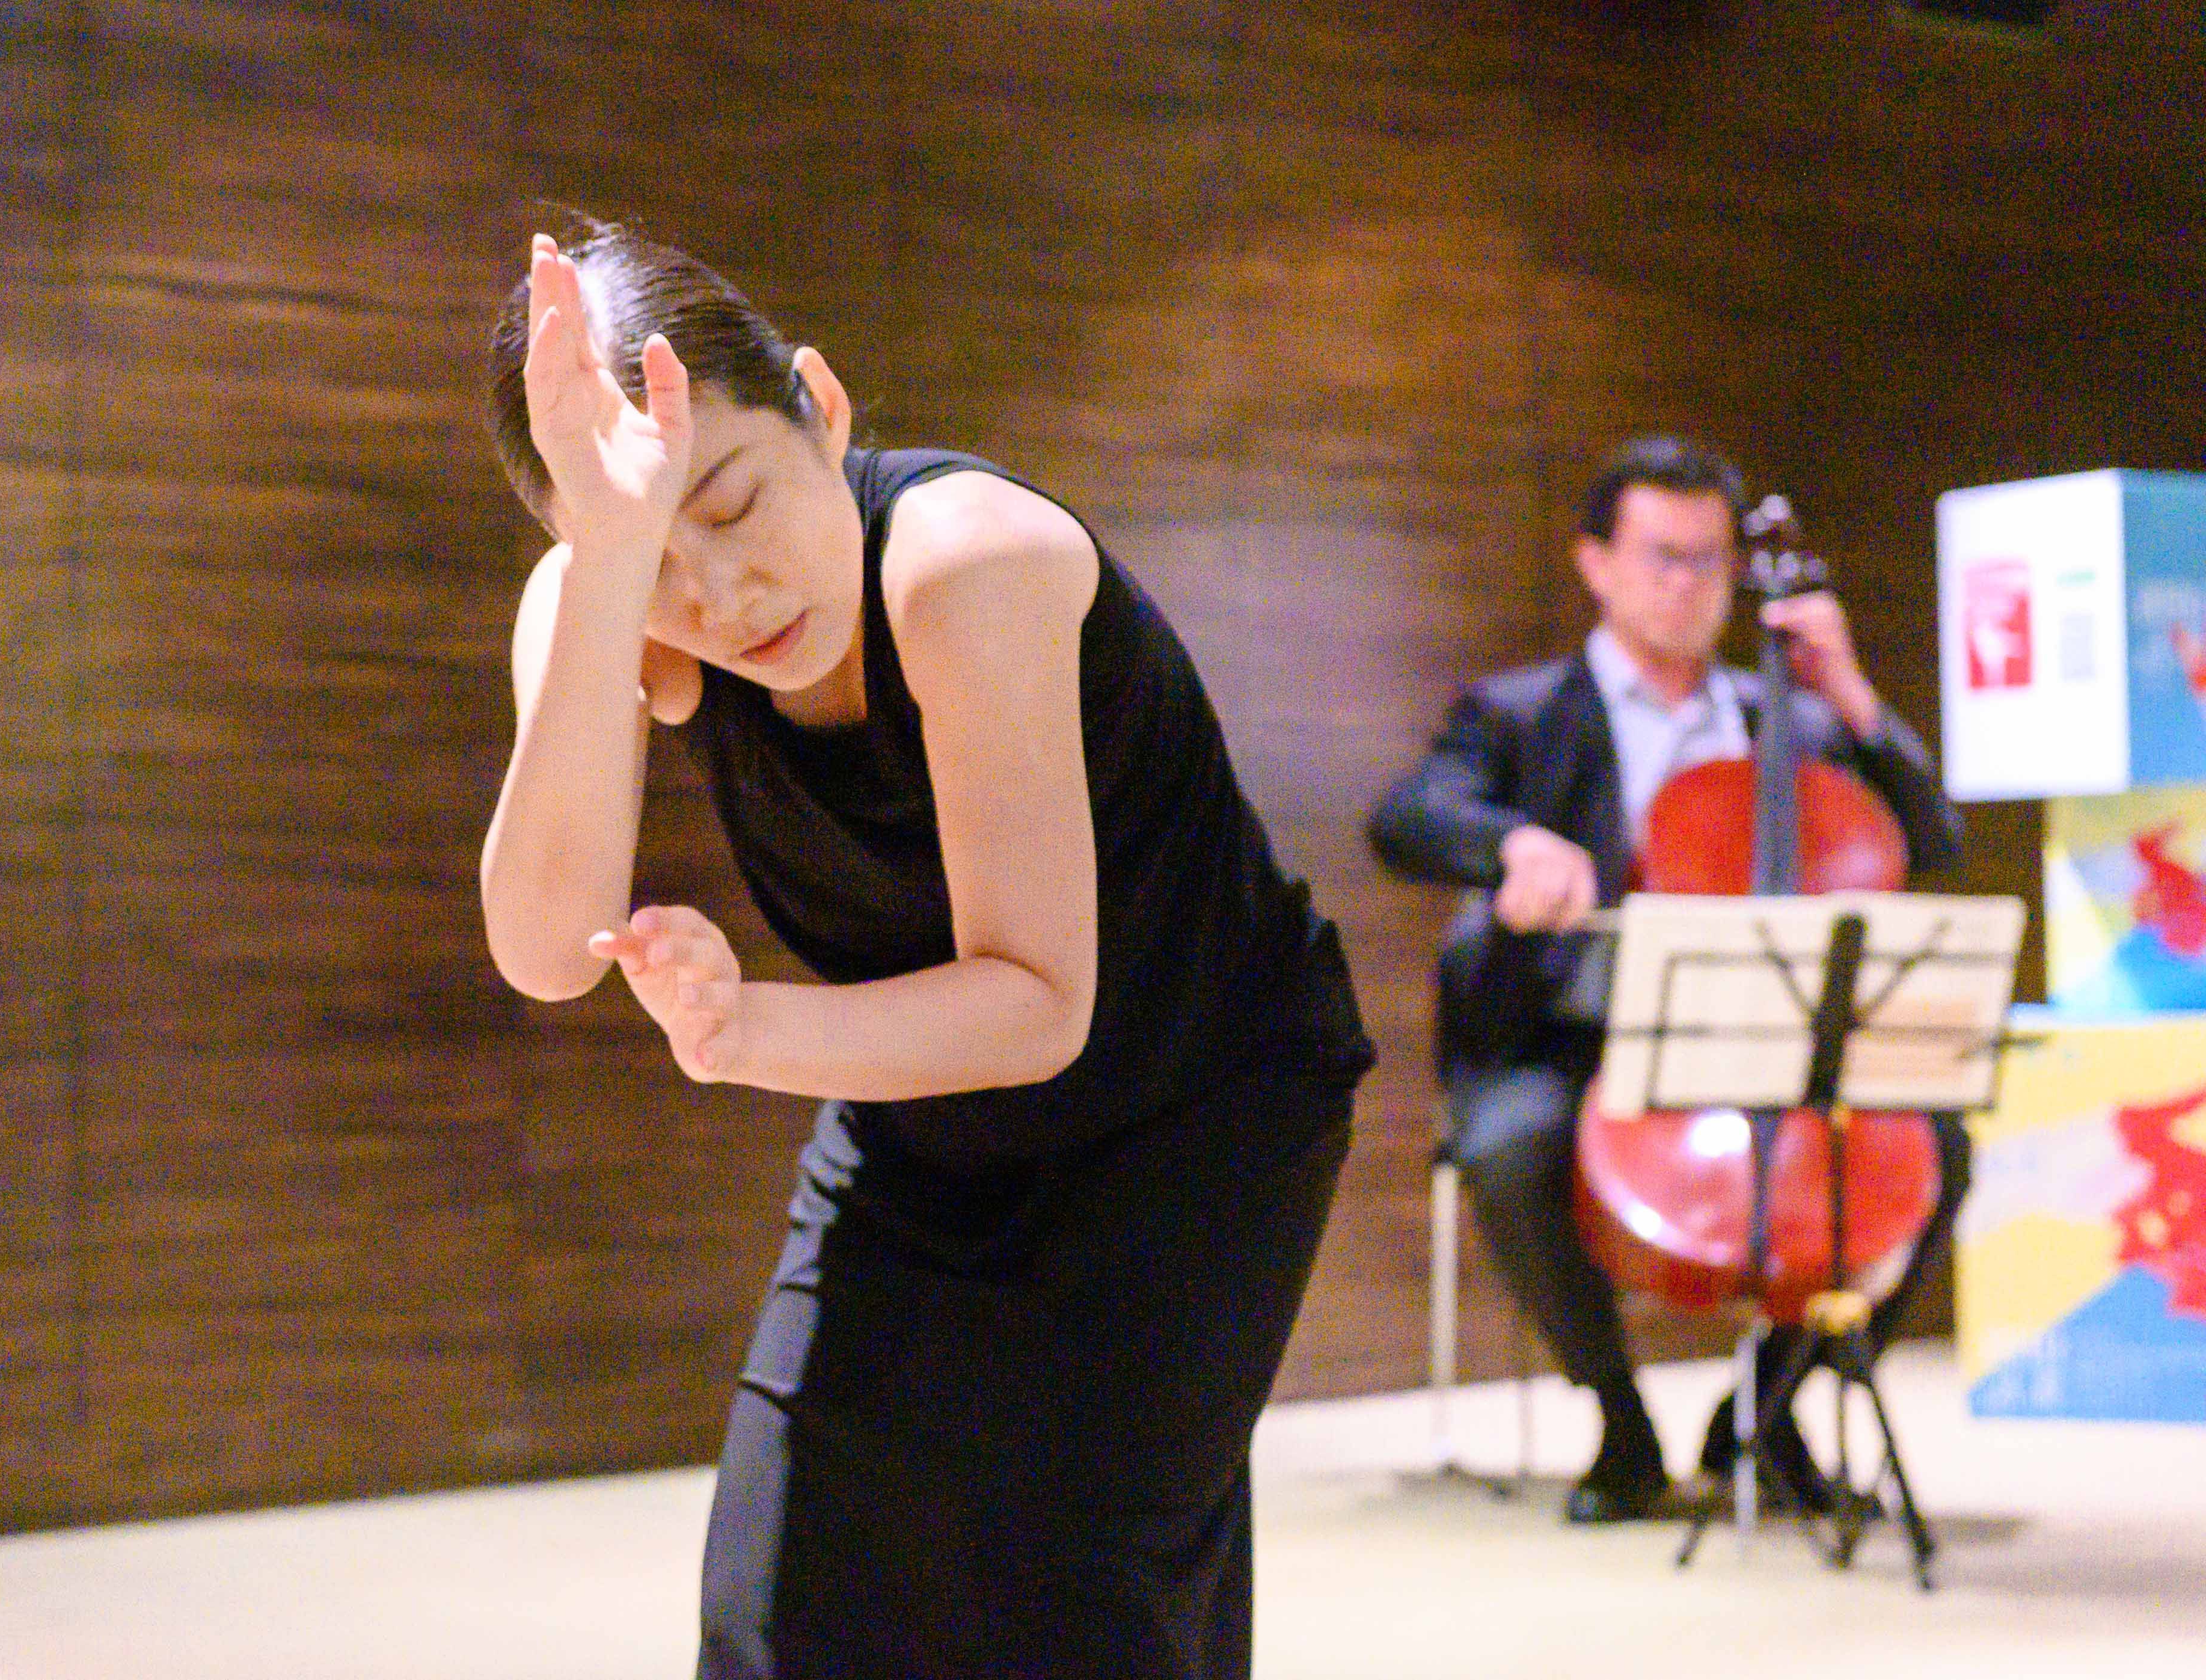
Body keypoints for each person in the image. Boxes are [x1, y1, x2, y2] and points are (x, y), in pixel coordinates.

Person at [479, 221, 1373, 1679]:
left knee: (1077, 1601)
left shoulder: (967, 559)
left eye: (734, 501)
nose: (722, 594)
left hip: (1198, 1108)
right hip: (929, 1112)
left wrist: (744, 1028)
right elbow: (542, 948)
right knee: (779, 1600)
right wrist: (610, 567)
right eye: (656, 553)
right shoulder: (610, 597)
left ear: (823, 410)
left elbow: (1037, 1002)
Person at [1367, 435, 1968, 1524]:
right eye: (1664, 557)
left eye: (1711, 561)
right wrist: (1512, 844)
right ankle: (1622, 1424)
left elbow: (1929, 838)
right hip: (1574, 1034)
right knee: (1510, 1146)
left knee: (1937, 1153)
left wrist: (1852, 693)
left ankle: (1762, 1416)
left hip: (1761, 1038)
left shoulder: (1786, 715)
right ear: (1596, 562)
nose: (1690, 585)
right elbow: (1408, 816)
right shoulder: (1521, 710)